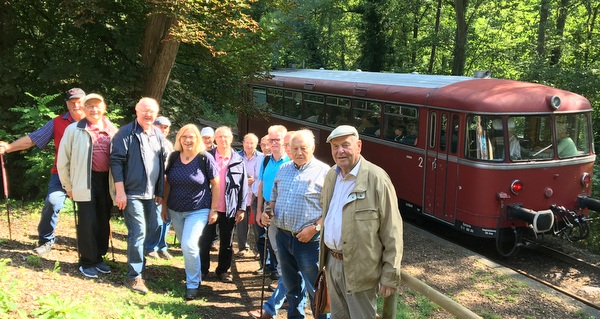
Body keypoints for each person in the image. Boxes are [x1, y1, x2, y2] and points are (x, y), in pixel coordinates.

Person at [319, 125, 403, 319]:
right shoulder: (332, 175)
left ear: (359, 146)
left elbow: (392, 229)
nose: (340, 151)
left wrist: (390, 274)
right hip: (332, 263)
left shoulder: (377, 178)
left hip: (361, 269)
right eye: (335, 146)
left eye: (345, 145)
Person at [0, 88, 86, 255]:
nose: (76, 105)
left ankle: (90, 245)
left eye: (79, 101)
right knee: (53, 202)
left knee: (91, 209)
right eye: (72, 102)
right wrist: (9, 147)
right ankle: (46, 240)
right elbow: (33, 139)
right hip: (61, 174)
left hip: (88, 175)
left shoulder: (95, 121)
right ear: (67, 104)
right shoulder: (57, 122)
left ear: (85, 102)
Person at [261, 129, 330, 319]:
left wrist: (315, 228)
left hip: (310, 241)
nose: (299, 152)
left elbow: (331, 209)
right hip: (283, 237)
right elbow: (273, 200)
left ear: (313, 148)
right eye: (295, 148)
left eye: (303, 148)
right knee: (292, 288)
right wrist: (268, 213)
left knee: (316, 290)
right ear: (289, 149)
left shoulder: (325, 172)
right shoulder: (284, 169)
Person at [110, 97, 168, 294]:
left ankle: (140, 267)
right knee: (139, 231)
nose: (148, 114)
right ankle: (134, 276)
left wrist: (160, 191)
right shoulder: (125, 133)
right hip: (131, 192)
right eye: (144, 110)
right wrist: (120, 192)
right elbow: (116, 162)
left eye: (151, 111)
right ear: (136, 111)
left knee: (155, 227)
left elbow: (161, 164)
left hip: (152, 194)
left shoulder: (158, 135)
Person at [57, 93, 118, 278]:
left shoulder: (113, 130)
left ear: (104, 108)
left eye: (97, 106)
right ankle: (87, 261)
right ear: (83, 109)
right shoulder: (74, 130)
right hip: (84, 180)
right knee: (88, 222)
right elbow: (63, 160)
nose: (94, 109)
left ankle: (99, 257)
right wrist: (68, 185)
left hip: (107, 181)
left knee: (103, 220)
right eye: (89, 106)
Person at [161, 124, 219, 300]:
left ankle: (192, 283)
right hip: (175, 209)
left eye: (191, 137)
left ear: (197, 139)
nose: (187, 140)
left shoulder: (204, 158)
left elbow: (216, 185)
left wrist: (214, 210)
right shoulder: (173, 157)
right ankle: (195, 274)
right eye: (184, 137)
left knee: (189, 244)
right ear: (179, 139)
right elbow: (167, 183)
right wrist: (164, 207)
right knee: (185, 245)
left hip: (198, 209)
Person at [249, 125, 290, 319]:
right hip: (267, 209)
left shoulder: (290, 161)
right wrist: (259, 210)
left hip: (286, 213)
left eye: (277, 140)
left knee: (285, 252)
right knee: (275, 249)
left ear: (284, 141)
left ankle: (285, 288)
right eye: (270, 141)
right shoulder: (266, 161)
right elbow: (261, 186)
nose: (272, 144)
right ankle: (286, 286)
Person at [199, 126, 247, 283]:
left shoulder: (239, 160)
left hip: (229, 208)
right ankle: (202, 270)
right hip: (208, 207)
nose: (223, 140)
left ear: (231, 139)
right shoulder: (206, 157)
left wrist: (241, 208)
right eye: (220, 137)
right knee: (204, 240)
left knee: (226, 243)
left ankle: (223, 271)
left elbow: (244, 186)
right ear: (214, 139)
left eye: (226, 137)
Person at [145, 116, 174, 260]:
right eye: (160, 126)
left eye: (165, 127)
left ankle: (162, 246)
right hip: (154, 186)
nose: (163, 130)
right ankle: (151, 247)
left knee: (167, 217)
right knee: (156, 218)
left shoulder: (169, 144)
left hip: (169, 185)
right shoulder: (148, 141)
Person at [237, 133, 263, 258]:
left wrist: (254, 180)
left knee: (257, 223)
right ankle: (242, 247)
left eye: (252, 143)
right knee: (241, 221)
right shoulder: (237, 156)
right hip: (241, 193)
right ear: (243, 143)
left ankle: (258, 250)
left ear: (256, 144)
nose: (249, 145)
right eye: (246, 142)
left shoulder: (261, 157)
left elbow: (262, 176)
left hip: (255, 193)